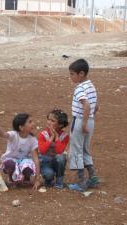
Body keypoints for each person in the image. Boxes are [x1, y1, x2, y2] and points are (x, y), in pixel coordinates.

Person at [68, 59, 100, 192]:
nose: (71, 77)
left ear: (81, 74)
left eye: (72, 74)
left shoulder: (80, 88)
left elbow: (86, 104)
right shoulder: (91, 85)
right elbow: (95, 106)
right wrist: (90, 119)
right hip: (90, 120)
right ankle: (93, 177)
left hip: (81, 120)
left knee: (76, 150)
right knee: (85, 149)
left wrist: (84, 123)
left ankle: (81, 182)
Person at [0, 113, 41, 190]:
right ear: (21, 127)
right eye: (30, 122)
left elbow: (36, 159)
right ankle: (11, 178)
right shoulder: (13, 134)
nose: (33, 123)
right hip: (11, 160)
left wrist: (37, 179)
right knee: (10, 164)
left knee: (29, 164)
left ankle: (26, 178)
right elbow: (4, 134)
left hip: (23, 161)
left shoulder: (32, 140)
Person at [38, 109, 69, 189]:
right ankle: (48, 179)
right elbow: (42, 150)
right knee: (48, 174)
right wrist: (51, 138)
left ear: (60, 125)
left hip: (56, 161)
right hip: (45, 161)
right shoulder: (43, 134)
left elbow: (59, 151)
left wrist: (57, 137)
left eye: (52, 121)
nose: (49, 122)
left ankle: (59, 181)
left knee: (61, 157)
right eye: (48, 119)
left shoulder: (64, 136)